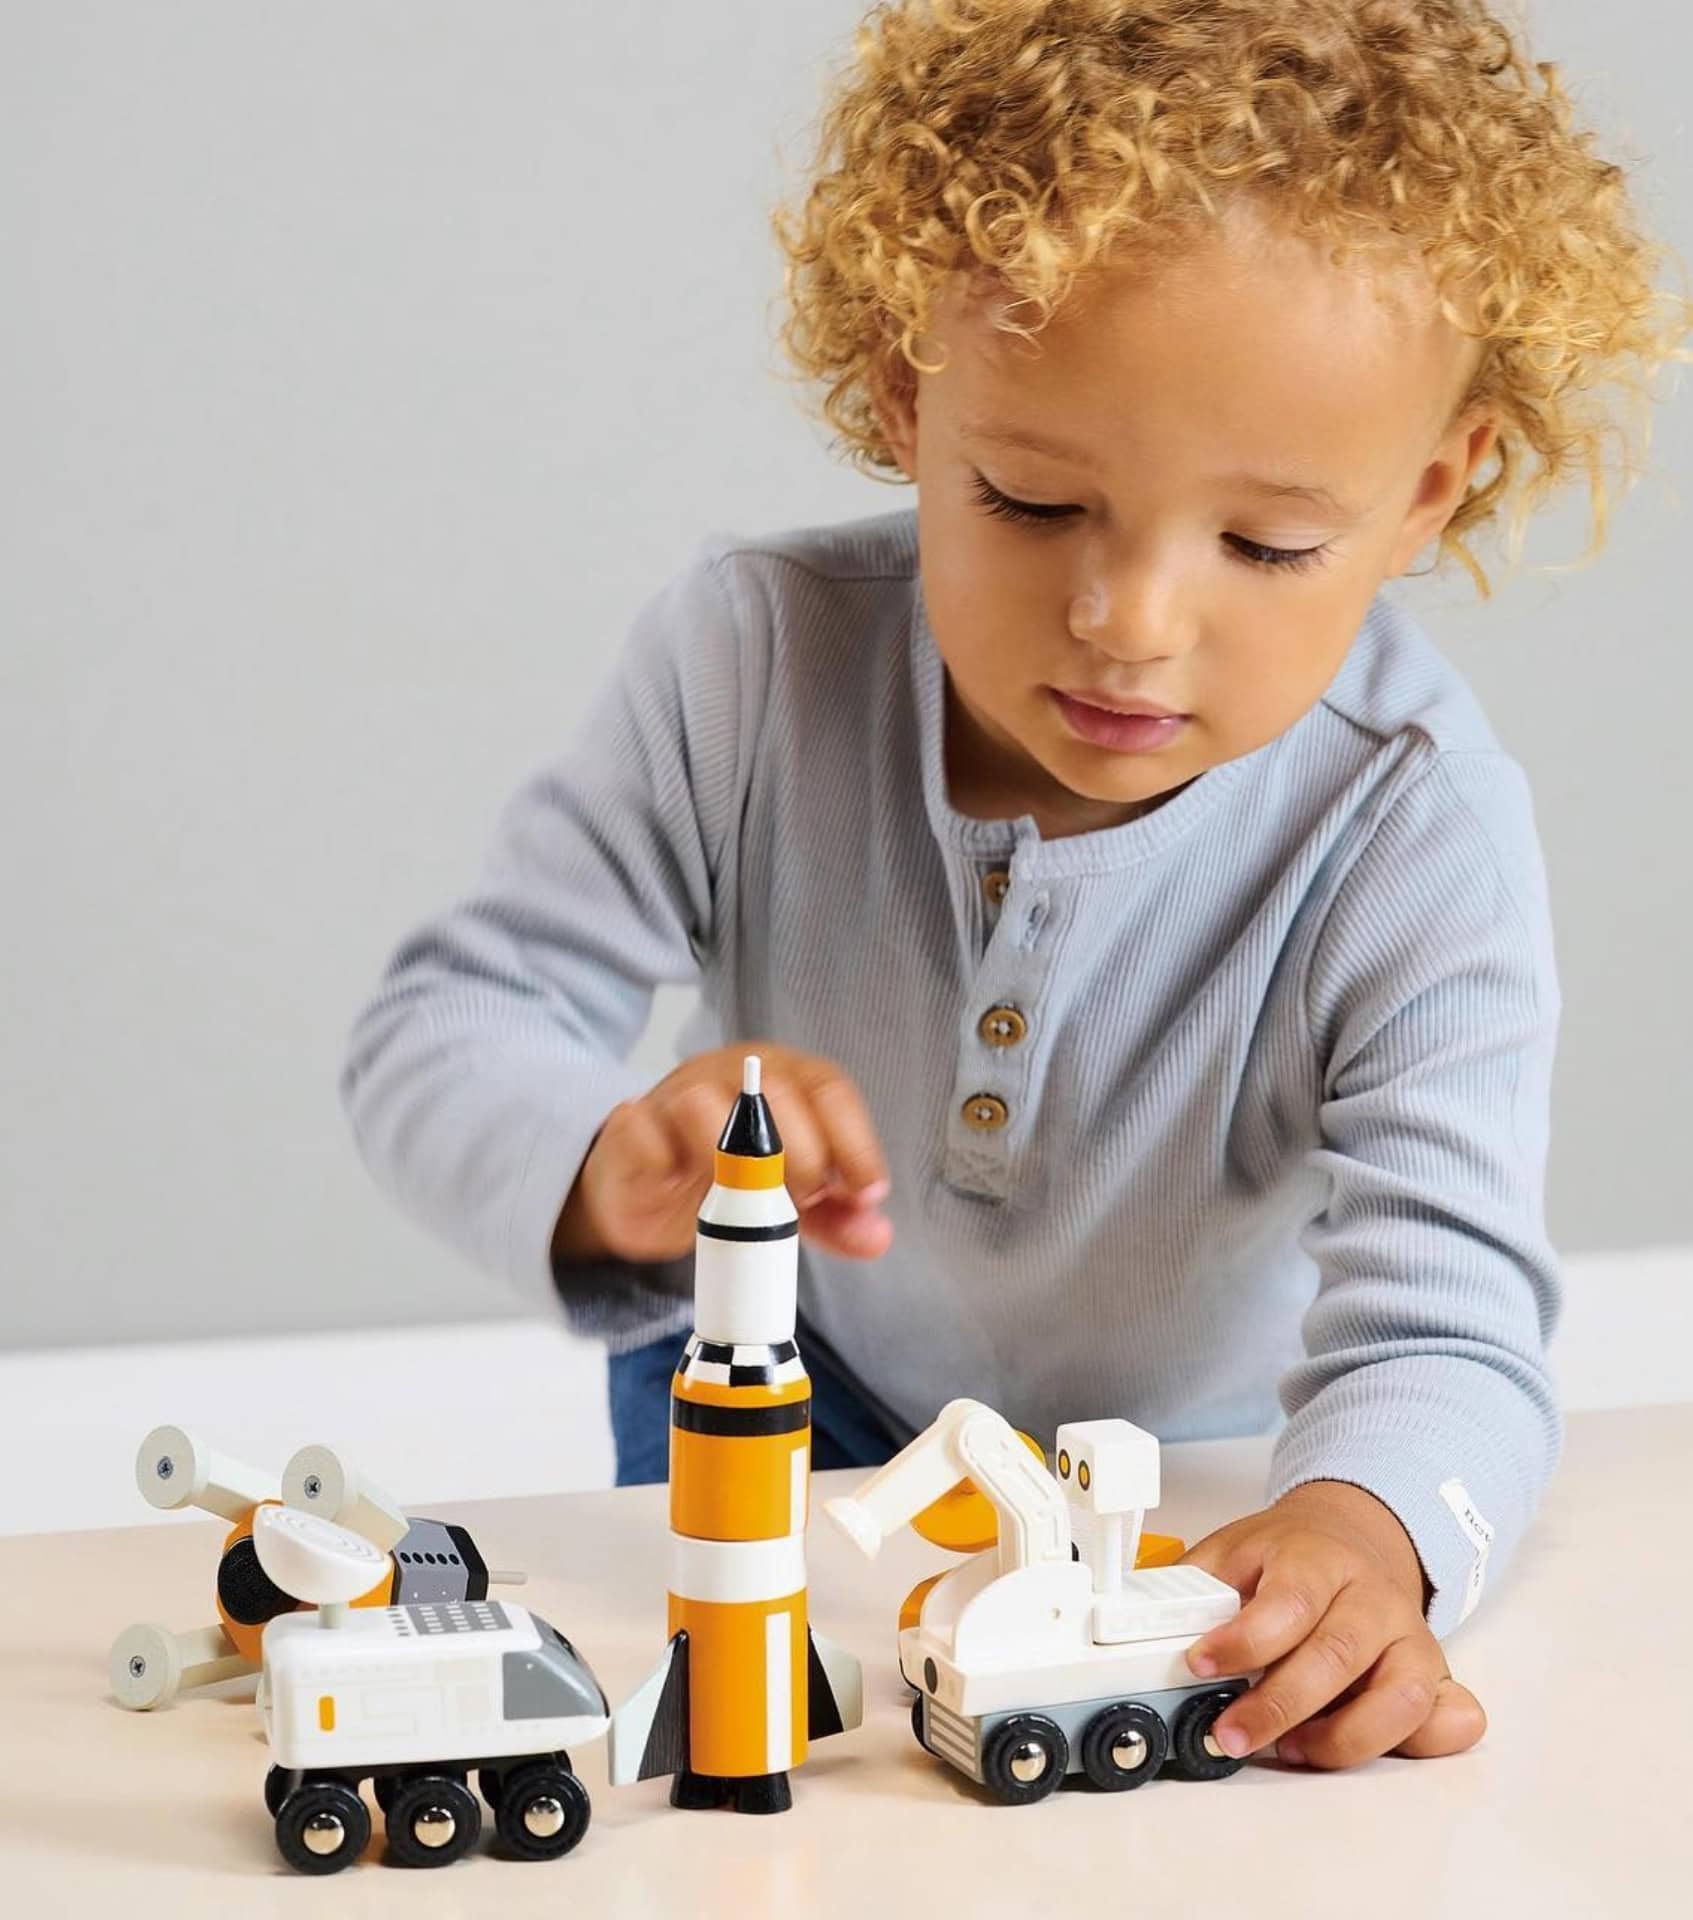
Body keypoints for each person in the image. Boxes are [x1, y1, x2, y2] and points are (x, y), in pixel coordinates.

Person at [338, 0, 1689, 1773]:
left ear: (1427, 493)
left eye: (1267, 545)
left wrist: (1369, 1528)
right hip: (810, 1422)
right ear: (907, 396)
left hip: (1200, 1488)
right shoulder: (750, 660)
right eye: (1033, 501)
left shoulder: (1410, 826)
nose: (1127, 621)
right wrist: (607, 1164)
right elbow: (449, 1026)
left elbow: (1448, 1314)